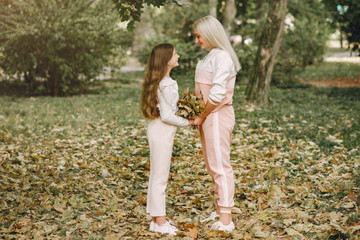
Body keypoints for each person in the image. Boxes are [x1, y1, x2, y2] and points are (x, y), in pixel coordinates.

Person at [192, 15, 241, 232]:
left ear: (210, 34)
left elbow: (218, 93)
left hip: (217, 115)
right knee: (213, 165)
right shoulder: (210, 56)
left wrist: (201, 115)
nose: (196, 41)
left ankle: (226, 219)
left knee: (220, 165)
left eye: (198, 36)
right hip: (208, 116)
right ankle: (221, 209)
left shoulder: (222, 57)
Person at [141, 43, 194, 236]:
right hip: (162, 131)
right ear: (166, 59)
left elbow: (166, 111)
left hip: (156, 129)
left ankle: (156, 220)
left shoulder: (160, 81)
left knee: (157, 175)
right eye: (174, 54)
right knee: (160, 178)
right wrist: (190, 122)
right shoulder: (168, 83)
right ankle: (160, 222)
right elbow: (168, 116)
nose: (178, 56)